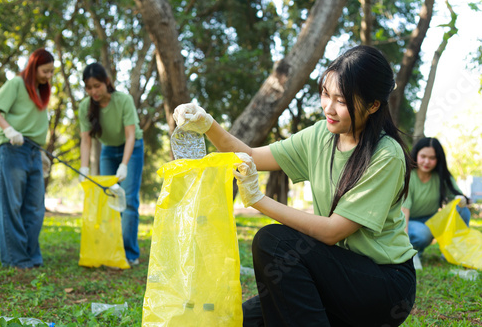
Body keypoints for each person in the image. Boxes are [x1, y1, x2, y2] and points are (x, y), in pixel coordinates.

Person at [173, 45, 417, 326]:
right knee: (242, 320)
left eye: (342, 100)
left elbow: (332, 232)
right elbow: (250, 155)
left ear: (373, 105)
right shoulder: (321, 135)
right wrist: (207, 124)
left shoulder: (386, 155)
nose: (328, 107)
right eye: (326, 94)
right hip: (334, 273)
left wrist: (258, 199)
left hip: (383, 287)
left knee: (274, 242)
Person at [0, 48, 54, 269]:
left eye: (52, 72)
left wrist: (42, 152)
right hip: (12, 148)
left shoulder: (41, 92)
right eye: (45, 71)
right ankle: (16, 259)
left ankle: (31, 256)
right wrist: (9, 130)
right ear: (34, 67)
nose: (48, 76)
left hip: (34, 151)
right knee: (11, 205)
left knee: (35, 206)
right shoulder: (16, 84)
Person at [78, 62, 144, 266]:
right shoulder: (85, 106)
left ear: (107, 82)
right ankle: (111, 250)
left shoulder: (123, 100)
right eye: (89, 87)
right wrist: (84, 168)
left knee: (128, 200)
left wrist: (124, 164)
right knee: (110, 200)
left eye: (97, 85)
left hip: (131, 148)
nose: (93, 91)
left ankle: (130, 254)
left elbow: (131, 135)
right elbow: (86, 139)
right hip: (108, 151)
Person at [402, 137, 470, 255]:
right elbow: (404, 212)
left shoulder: (442, 176)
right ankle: (413, 252)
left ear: (438, 159)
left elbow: (457, 197)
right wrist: (404, 247)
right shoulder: (408, 176)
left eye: (432, 158)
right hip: (410, 222)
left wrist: (461, 200)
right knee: (423, 233)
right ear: (416, 154)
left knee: (463, 210)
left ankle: (453, 251)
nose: (427, 162)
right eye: (423, 156)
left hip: (432, 219)